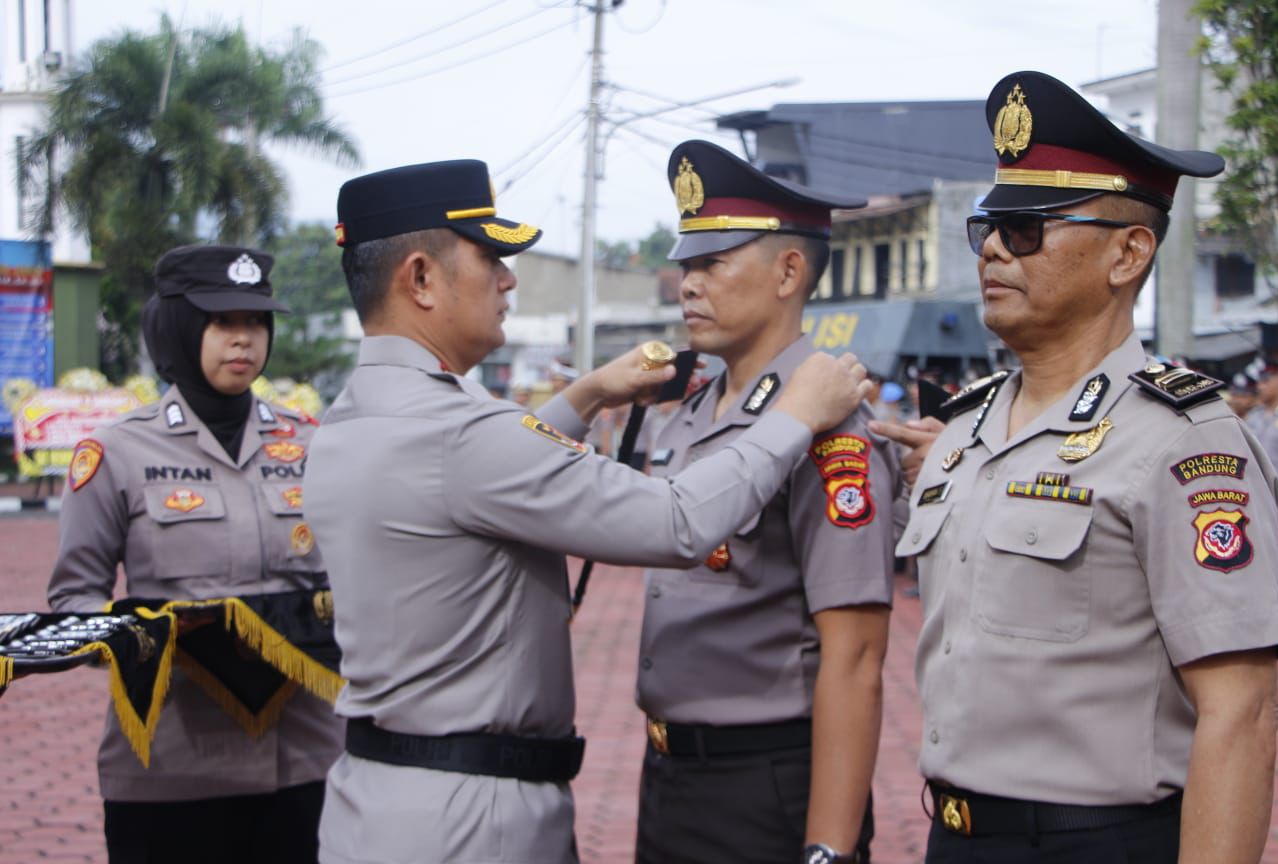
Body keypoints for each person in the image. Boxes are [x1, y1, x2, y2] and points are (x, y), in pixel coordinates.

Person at [303, 158, 874, 864]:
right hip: (468, 817)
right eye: (490, 259)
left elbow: (477, 474)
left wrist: (589, 395)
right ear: (419, 278)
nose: (509, 279)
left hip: (372, 799)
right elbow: (676, 523)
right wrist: (794, 415)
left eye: (714, 260)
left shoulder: (350, 421)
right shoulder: (461, 432)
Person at [871, 71, 1278, 863]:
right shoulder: (968, 428)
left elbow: (1241, 712)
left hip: (1095, 841)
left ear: (1128, 253)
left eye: (1026, 228)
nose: (994, 246)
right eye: (988, 226)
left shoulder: (1184, 440)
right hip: (953, 836)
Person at [634, 140, 901, 864]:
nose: (687, 284)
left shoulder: (830, 431)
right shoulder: (689, 414)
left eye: (711, 263)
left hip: (764, 788)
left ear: (788, 271)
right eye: (686, 264)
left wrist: (829, 850)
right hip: (670, 776)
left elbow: (855, 658)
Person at [48, 245, 341, 863]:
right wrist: (151, 635)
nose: (244, 339)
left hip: (308, 760)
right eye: (223, 321)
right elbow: (74, 601)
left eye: (257, 321)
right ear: (178, 325)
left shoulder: (313, 444)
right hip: (174, 766)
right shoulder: (115, 454)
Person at [1247, 360, 1278, 640]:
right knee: (1261, 558)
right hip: (1258, 491)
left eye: (1267, 380)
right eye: (1261, 381)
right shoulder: (1254, 416)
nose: (1262, 386)